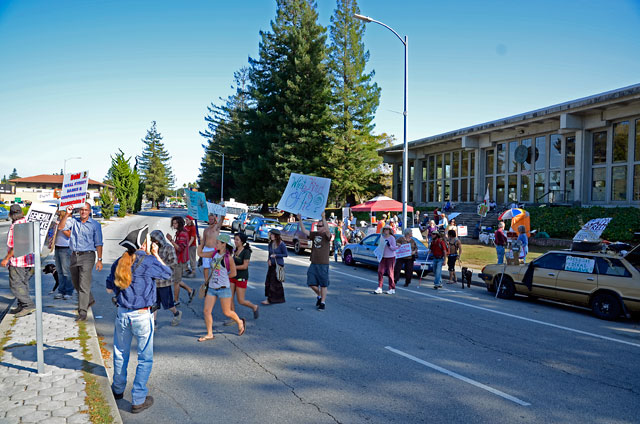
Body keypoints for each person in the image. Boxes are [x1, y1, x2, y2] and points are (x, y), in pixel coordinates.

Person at [106, 225, 172, 413]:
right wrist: (157, 254)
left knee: (120, 353)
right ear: (144, 243)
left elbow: (109, 288)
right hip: (142, 315)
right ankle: (138, 399)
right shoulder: (149, 260)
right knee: (144, 357)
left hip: (122, 313)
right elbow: (168, 274)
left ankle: (118, 390)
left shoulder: (120, 261)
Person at [58, 203, 103, 321]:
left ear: (89, 211)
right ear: (79, 211)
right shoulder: (73, 221)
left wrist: (100, 260)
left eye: (86, 210)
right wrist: (67, 213)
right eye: (82, 210)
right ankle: (89, 299)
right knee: (76, 283)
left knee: (84, 283)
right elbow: (60, 227)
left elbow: (99, 243)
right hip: (74, 255)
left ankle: (82, 312)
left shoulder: (95, 225)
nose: (83, 212)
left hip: (88, 256)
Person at [197, 234, 245, 342]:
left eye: (218, 242)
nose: (216, 244)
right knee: (206, 311)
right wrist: (200, 242)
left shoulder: (229, 258)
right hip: (212, 288)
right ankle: (210, 334)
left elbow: (233, 273)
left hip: (223, 289)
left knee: (227, 312)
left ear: (224, 244)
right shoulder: (214, 253)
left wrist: (223, 278)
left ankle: (239, 321)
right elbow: (200, 253)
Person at [1, 204, 36, 317]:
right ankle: (22, 305)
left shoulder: (16, 226)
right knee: (23, 283)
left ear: (11, 214)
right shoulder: (28, 222)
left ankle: (28, 305)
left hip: (18, 261)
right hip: (28, 259)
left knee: (16, 285)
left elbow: (16, 246)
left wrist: (6, 259)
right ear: (21, 212)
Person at [297, 212, 331, 310]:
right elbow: (304, 231)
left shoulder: (327, 236)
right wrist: (300, 220)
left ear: (324, 227)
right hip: (314, 262)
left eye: (320, 226)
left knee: (323, 284)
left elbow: (328, 230)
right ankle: (320, 295)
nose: (318, 227)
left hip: (323, 263)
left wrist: (324, 218)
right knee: (311, 283)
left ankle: (322, 303)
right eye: (317, 226)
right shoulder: (314, 234)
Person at [149, 230, 182, 327]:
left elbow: (174, 263)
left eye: (154, 241)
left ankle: (176, 313)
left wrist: (161, 264)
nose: (153, 243)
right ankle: (154, 322)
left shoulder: (168, 248)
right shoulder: (151, 249)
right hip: (154, 281)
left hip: (164, 282)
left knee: (168, 304)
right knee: (154, 303)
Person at [166, 216, 195, 306]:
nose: (174, 225)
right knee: (176, 279)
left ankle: (176, 300)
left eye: (175, 223)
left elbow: (180, 248)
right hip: (178, 259)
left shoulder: (182, 234)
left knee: (176, 281)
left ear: (179, 224)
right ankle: (190, 290)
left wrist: (171, 240)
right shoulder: (179, 232)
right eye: (173, 223)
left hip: (180, 260)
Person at [229, 233, 259, 319]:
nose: (235, 241)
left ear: (242, 241)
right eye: (234, 239)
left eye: (237, 240)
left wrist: (233, 267)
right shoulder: (235, 250)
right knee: (229, 297)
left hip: (241, 277)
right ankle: (233, 318)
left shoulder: (246, 252)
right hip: (233, 276)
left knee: (240, 300)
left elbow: (244, 266)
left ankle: (254, 307)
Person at [262, 228, 287, 305]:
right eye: (270, 234)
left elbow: (285, 254)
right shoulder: (270, 243)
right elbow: (269, 253)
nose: (271, 236)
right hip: (271, 265)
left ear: (276, 236)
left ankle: (270, 299)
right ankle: (277, 298)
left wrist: (276, 255)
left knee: (275, 282)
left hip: (278, 265)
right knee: (269, 281)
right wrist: (268, 259)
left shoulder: (281, 244)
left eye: (272, 234)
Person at [53, 210, 73, 300]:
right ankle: (61, 291)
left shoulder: (70, 221)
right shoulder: (57, 219)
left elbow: (70, 235)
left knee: (66, 272)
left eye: (59, 210)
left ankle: (68, 291)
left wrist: (60, 227)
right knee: (59, 271)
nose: (57, 212)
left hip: (66, 248)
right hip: (57, 247)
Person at [375, 225, 398, 294]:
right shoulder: (382, 237)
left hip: (390, 257)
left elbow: (394, 248)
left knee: (390, 273)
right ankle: (379, 287)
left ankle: (392, 288)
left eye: (387, 229)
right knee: (380, 271)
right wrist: (378, 253)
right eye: (385, 229)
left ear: (390, 231)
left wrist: (389, 245)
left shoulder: (392, 238)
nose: (386, 231)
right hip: (383, 257)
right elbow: (380, 246)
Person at [201, 213, 223, 284]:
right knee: (206, 267)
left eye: (212, 219)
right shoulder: (206, 230)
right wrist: (201, 251)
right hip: (206, 249)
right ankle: (206, 282)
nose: (210, 220)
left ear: (214, 220)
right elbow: (204, 240)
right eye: (209, 219)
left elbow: (222, 219)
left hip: (214, 250)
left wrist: (222, 212)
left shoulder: (217, 228)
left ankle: (215, 281)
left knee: (215, 267)